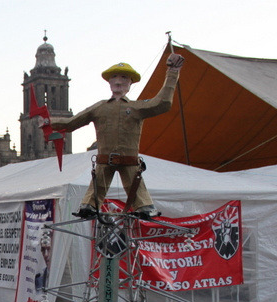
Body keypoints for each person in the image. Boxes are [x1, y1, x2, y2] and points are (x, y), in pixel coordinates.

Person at [50, 53, 185, 219]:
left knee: (136, 186)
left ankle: (143, 206)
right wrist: (48, 122)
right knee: (97, 186)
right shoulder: (99, 107)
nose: (118, 81)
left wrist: (172, 72)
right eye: (114, 77)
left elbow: (162, 103)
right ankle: (90, 205)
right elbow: (71, 123)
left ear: (130, 83)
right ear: (109, 82)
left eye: (123, 78)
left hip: (129, 160)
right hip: (104, 160)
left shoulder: (136, 108)